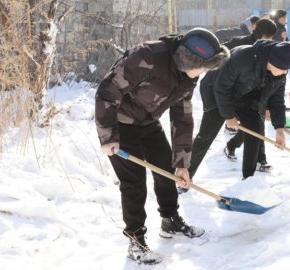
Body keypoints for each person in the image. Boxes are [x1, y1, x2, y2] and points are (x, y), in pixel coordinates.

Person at [95, 28, 230, 265]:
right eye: (203, 67)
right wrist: (108, 136)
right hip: (119, 124)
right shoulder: (148, 57)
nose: (203, 74)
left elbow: (182, 117)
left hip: (147, 122)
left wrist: (182, 163)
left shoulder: (188, 74)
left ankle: (170, 219)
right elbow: (107, 90)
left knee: (168, 170)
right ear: (188, 59)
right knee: (134, 183)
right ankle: (135, 241)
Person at [189, 39, 290, 181]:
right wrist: (229, 116)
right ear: (271, 61)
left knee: (255, 128)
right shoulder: (242, 58)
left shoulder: (279, 73)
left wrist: (279, 128)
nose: (285, 72)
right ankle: (185, 175)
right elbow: (221, 88)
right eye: (282, 68)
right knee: (207, 135)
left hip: (244, 93)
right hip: (215, 90)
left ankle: (248, 179)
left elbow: (277, 100)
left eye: (287, 69)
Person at [220, 19, 278, 172]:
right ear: (258, 34)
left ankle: (259, 159)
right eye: (268, 37)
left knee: (255, 125)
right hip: (235, 91)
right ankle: (236, 148)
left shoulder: (270, 49)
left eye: (272, 37)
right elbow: (224, 53)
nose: (271, 41)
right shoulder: (243, 43)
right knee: (253, 126)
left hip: (254, 90)